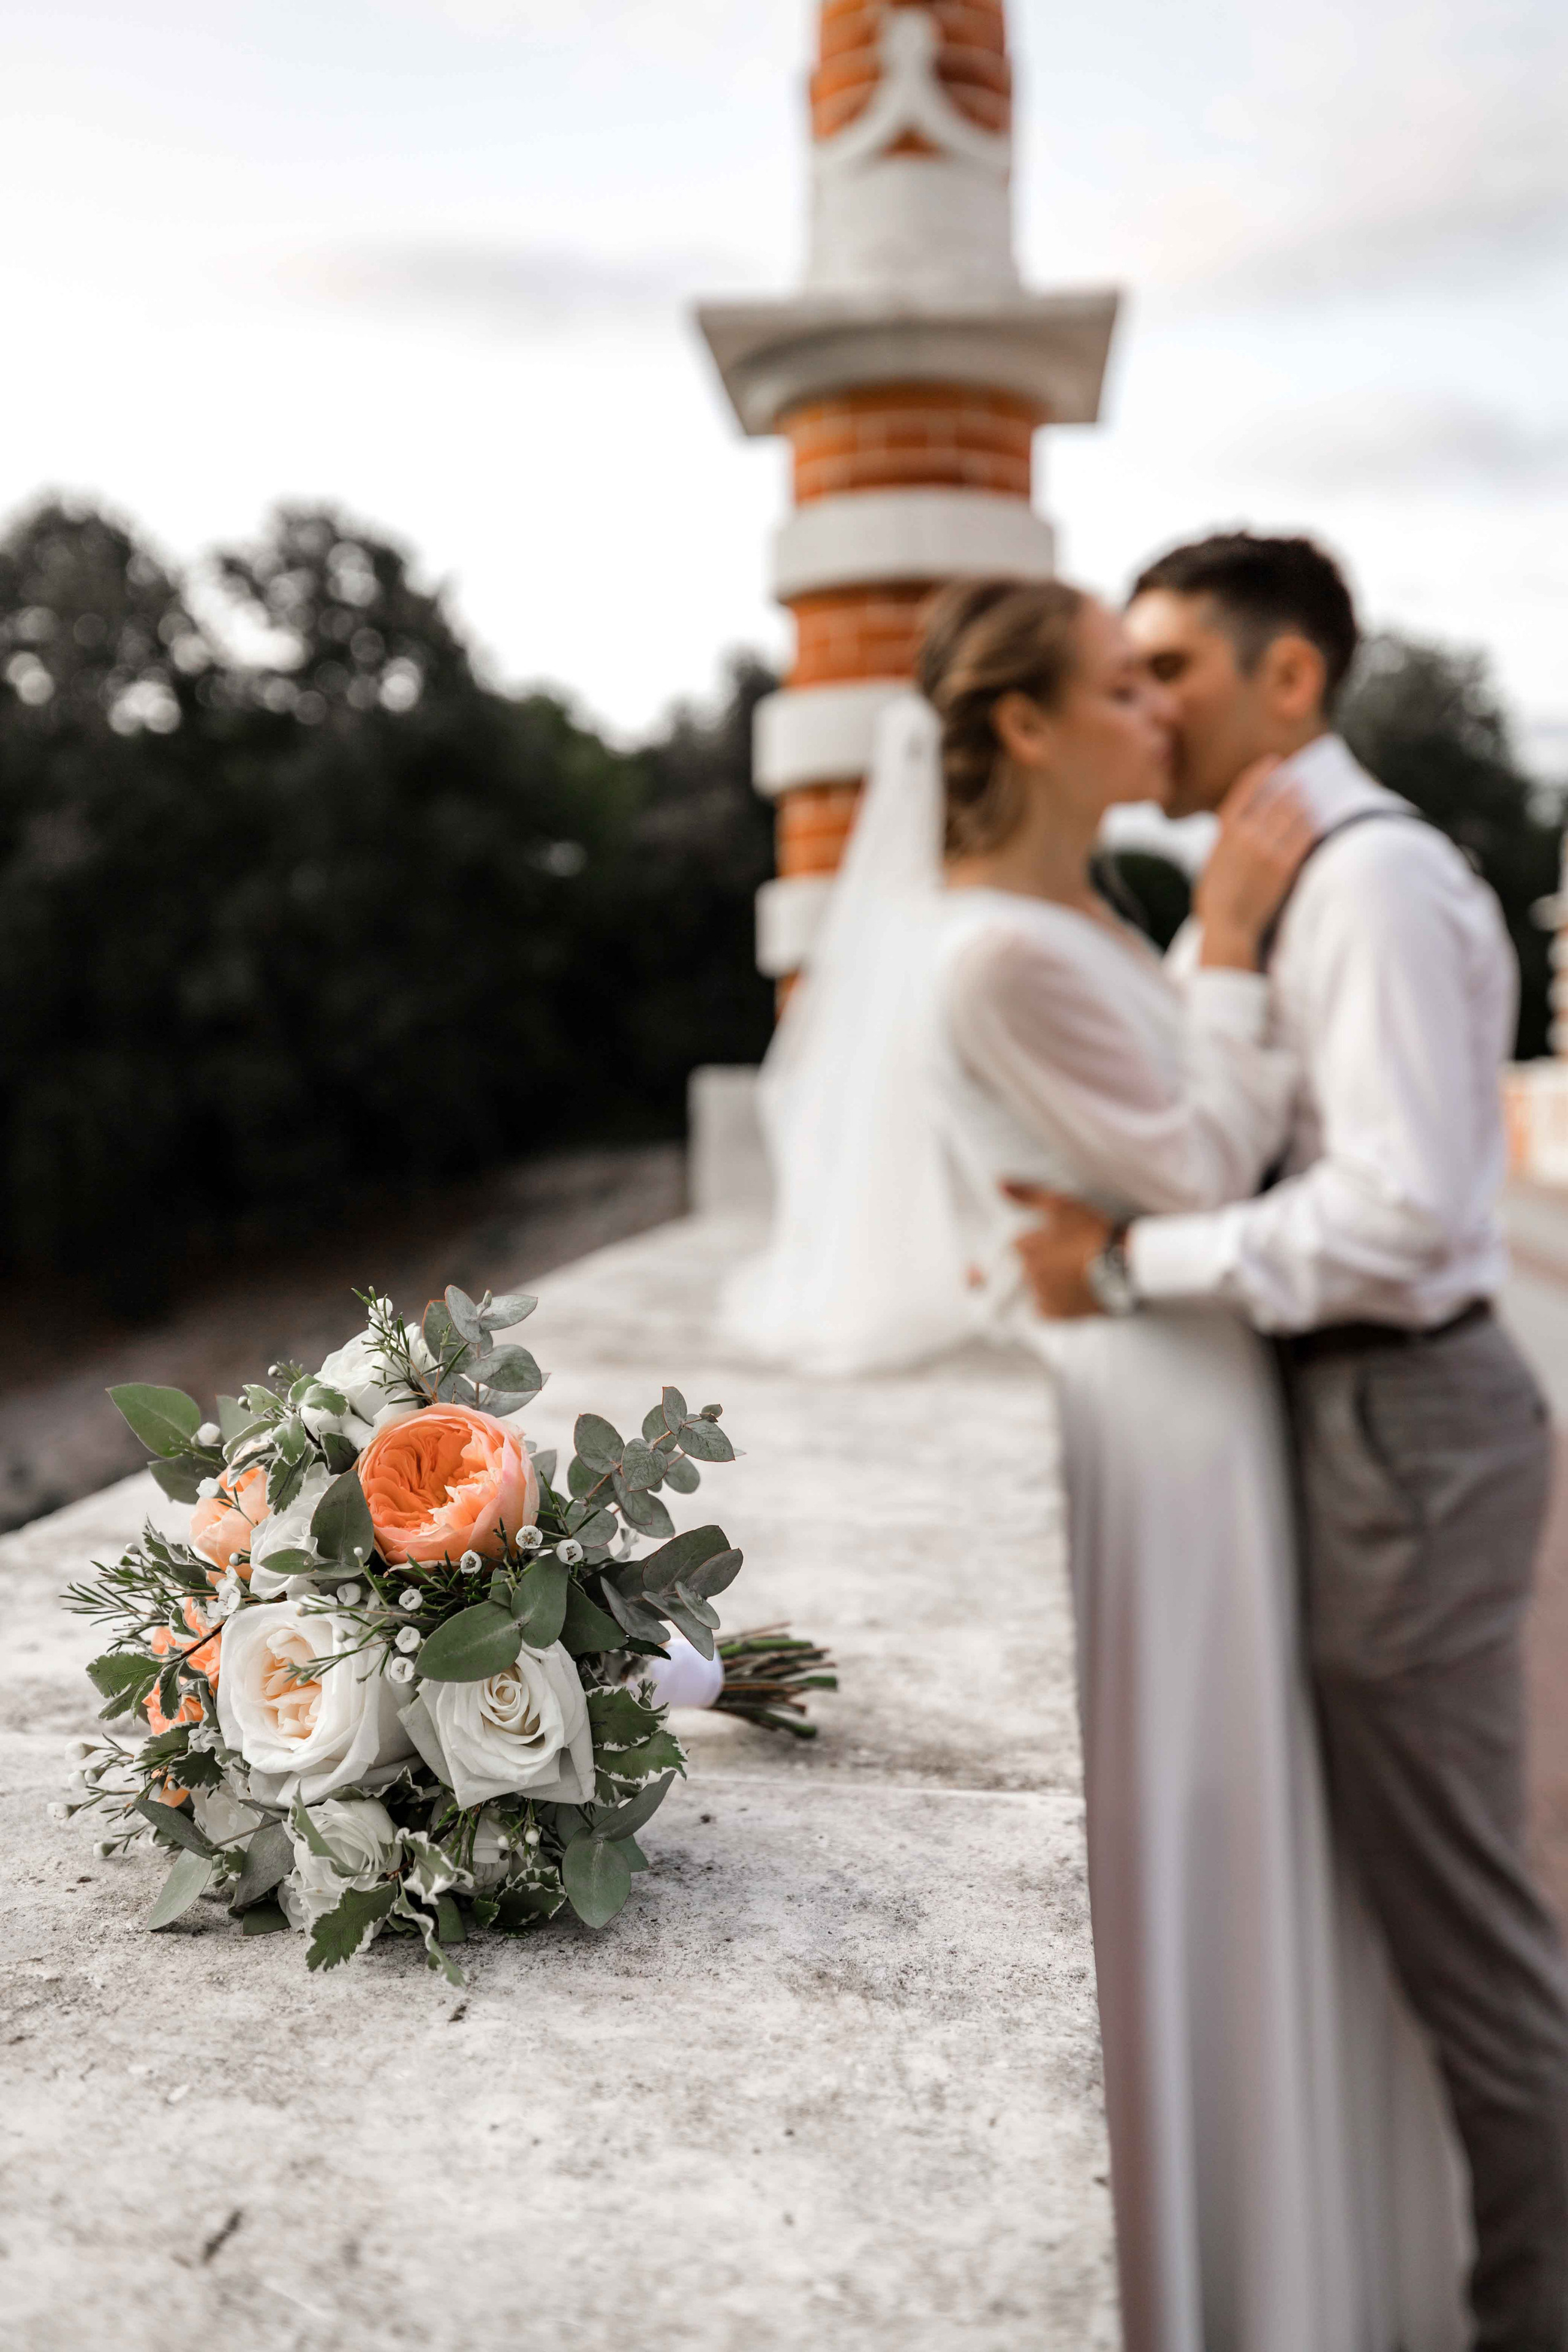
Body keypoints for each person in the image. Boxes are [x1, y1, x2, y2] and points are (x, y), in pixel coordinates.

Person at [723, 577, 1469, 2351]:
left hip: (1207, 1408)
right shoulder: (997, 956)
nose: (1160, 713)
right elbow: (1209, 1171)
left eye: (1163, 677)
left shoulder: (1070, 922)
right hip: (1156, 1442)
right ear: (1035, 731)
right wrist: (1225, 935)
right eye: (1119, 687)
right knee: (1208, 1842)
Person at [1012, 531, 1568, 2352]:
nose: (1143, 702)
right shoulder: (1275, 890)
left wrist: (1128, 1264)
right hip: (1361, 1412)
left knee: (1473, 1936)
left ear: (1290, 682)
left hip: (1404, 1417)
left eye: (1169, 666)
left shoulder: (1378, 887)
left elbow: (1405, 1213)